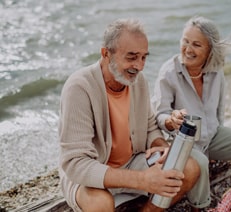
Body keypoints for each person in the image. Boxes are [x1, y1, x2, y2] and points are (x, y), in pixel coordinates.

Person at [58, 18, 200, 212]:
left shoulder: (137, 81)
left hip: (132, 162)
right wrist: (143, 180)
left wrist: (163, 148)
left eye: (143, 57)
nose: (139, 66)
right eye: (132, 57)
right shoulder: (78, 88)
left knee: (189, 169)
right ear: (106, 53)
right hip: (91, 174)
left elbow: (150, 126)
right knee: (100, 204)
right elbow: (76, 164)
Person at [151, 16, 231, 211]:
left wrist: (213, 144)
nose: (187, 49)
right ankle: (201, 206)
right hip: (180, 143)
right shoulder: (168, 72)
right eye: (185, 41)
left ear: (210, 50)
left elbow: (219, 111)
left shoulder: (216, 70)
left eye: (196, 44)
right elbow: (159, 115)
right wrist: (171, 119)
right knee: (201, 162)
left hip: (211, 135)